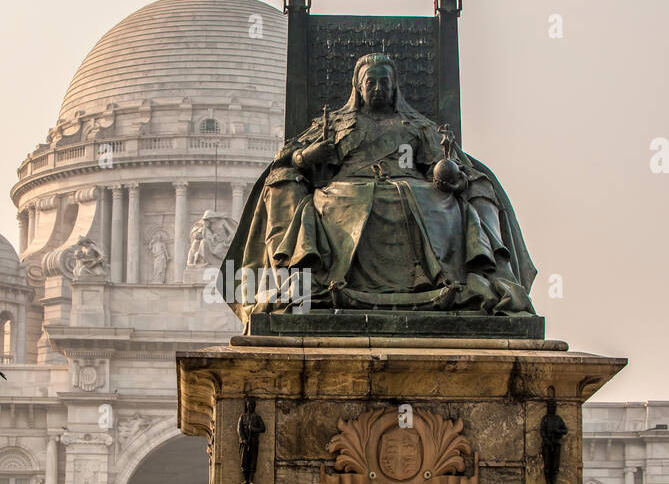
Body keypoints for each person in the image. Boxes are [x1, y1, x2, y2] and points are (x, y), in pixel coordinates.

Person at [221, 52, 536, 323]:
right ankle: (298, 283)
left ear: (394, 86)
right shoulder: (334, 123)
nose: (378, 87)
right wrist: (308, 156)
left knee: (437, 198)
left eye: (384, 82)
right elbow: (287, 158)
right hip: (345, 190)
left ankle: (478, 280)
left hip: (413, 188)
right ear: (358, 88)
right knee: (312, 190)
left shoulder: (418, 126)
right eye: (370, 82)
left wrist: (450, 176)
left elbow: (444, 165)